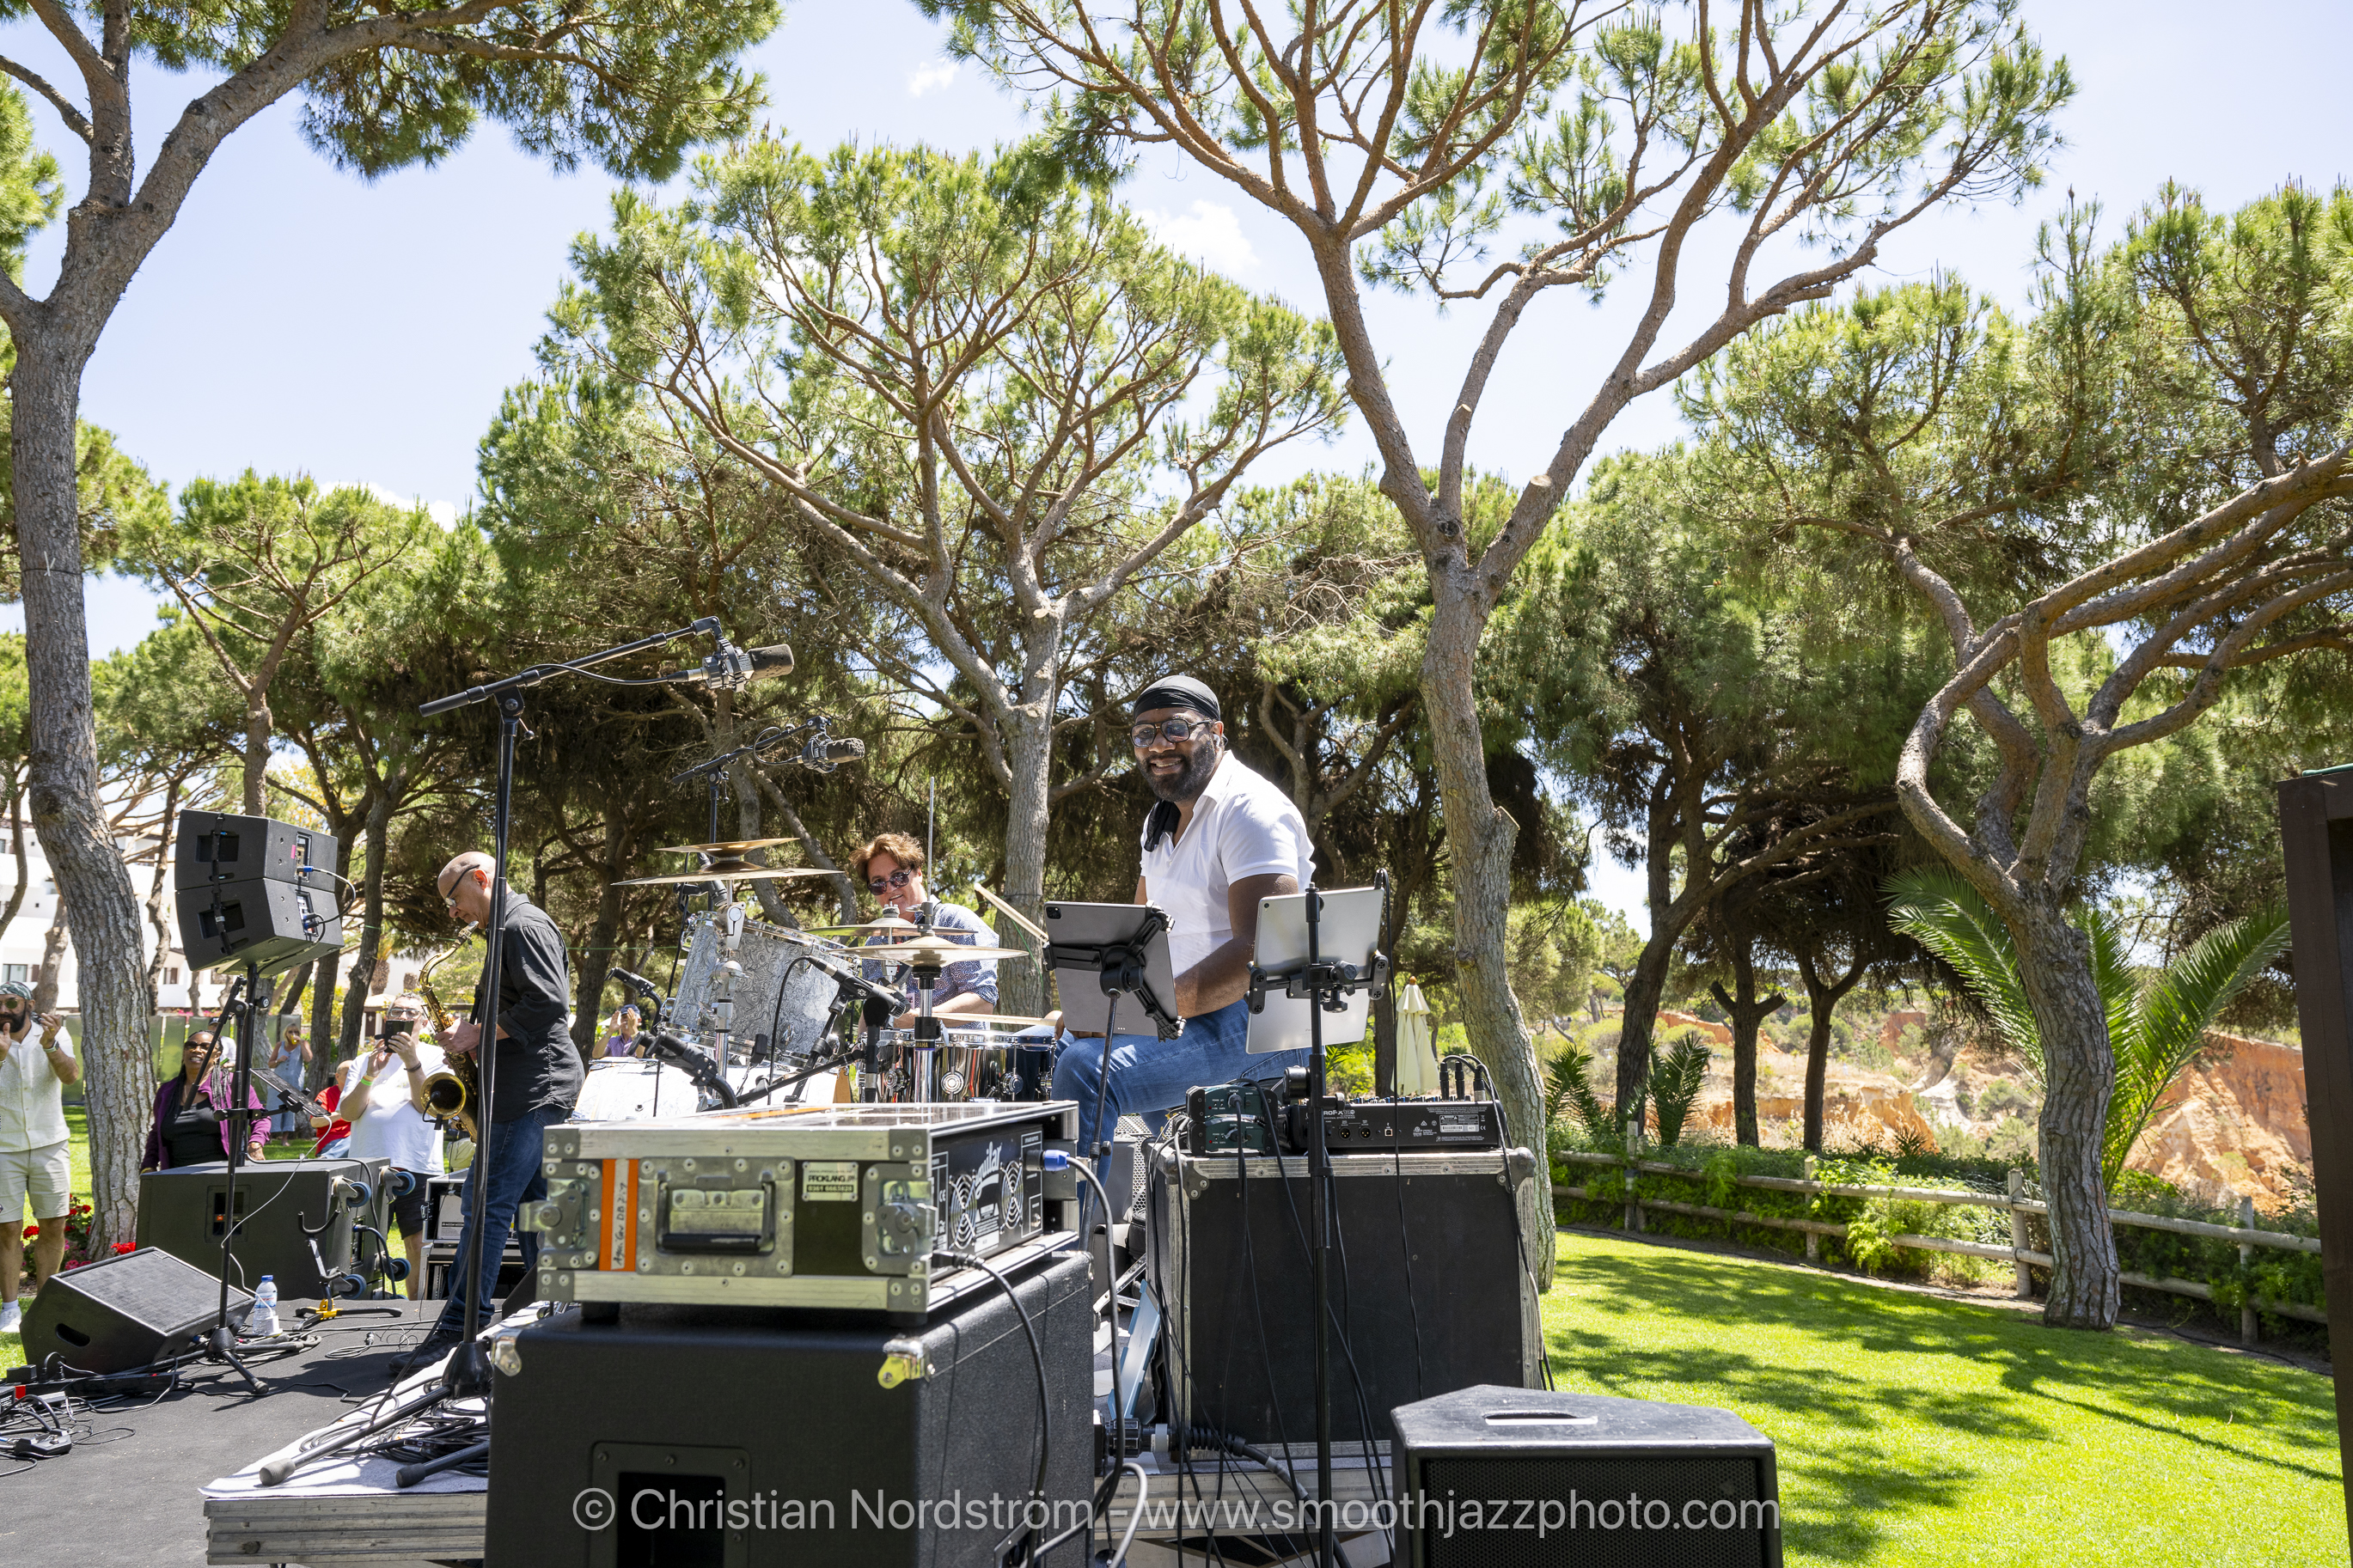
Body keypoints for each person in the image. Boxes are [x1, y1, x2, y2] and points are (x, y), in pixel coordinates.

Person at [1050, 674, 1314, 1151]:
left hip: (1261, 1023)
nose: (1158, 745)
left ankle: (1076, 1225)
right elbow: (1137, 937)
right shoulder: (1161, 820)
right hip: (1186, 1015)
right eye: (1143, 734)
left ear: (1215, 734)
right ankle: (1161, 1214)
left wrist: (1138, 1011)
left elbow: (1259, 952)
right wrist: (1093, 1004)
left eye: (1175, 728)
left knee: (1087, 1069)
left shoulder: (1249, 809)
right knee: (1053, 1047)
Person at [428, 851, 580, 1345]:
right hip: (529, 1088)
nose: (453, 913)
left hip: (532, 1090)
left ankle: (458, 1327)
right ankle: (550, 1320)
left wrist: (480, 1035)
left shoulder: (519, 926)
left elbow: (550, 1001)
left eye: (454, 900)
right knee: (535, 1207)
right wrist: (469, 1034)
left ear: (480, 878)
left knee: (484, 1200)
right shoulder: (504, 930)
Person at [336, 994, 446, 1295]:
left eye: (411, 1012)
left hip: (417, 1163)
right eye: (397, 1010)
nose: (403, 1015)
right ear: (388, 1019)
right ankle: (357, 1307)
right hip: (367, 1164)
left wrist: (412, 1061)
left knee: (418, 1243)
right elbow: (348, 1113)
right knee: (361, 1244)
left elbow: (429, 1107)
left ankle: (417, 1311)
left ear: (422, 1022)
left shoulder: (438, 1056)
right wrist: (370, 1074)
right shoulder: (364, 1060)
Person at [854, 832, 999, 1028]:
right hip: (895, 1058)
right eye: (879, 883)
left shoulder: (956, 923)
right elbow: (872, 1009)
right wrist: (861, 1053)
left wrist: (919, 1020)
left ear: (919, 873)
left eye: (898, 877)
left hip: (952, 1055)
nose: (889, 888)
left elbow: (983, 1000)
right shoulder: (876, 942)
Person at [0, 981, 77, 1335]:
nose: (4, 1009)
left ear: (28, 1004)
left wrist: (50, 1047)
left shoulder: (54, 1034)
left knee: (53, 1224)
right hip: (3, 1148)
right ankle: (10, 1309)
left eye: (11, 1002)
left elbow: (71, 1076)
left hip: (50, 1144)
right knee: (8, 1230)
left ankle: (47, 1306)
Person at [142, 1028, 269, 1171]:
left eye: (205, 1047)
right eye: (191, 1045)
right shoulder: (166, 1091)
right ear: (184, 1053)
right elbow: (156, 1132)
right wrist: (148, 1165)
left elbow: (260, 1117)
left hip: (223, 1178)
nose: (196, 1050)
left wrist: (256, 1143)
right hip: (176, 1179)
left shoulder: (233, 1085)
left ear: (217, 1055)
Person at [267, 1019, 311, 1142]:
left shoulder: (303, 1044)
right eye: (290, 1031)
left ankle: (284, 1138)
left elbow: (308, 1059)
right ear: (286, 1033)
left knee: (290, 1108)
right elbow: (270, 1064)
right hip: (278, 1081)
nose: (293, 1034)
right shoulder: (279, 1045)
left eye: (296, 1031)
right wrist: (278, 1060)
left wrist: (301, 1044)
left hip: (294, 1081)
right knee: (273, 1107)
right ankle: (269, 1136)